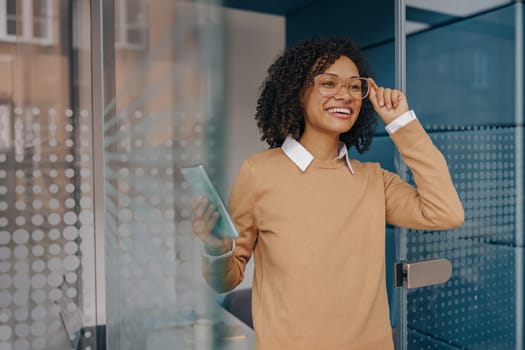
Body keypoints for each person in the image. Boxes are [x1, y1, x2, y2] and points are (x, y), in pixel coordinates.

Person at [192, 37, 464, 350]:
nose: (344, 95)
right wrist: (216, 247)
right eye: (328, 83)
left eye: (353, 86)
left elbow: (446, 212)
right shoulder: (258, 172)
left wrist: (402, 123)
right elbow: (225, 279)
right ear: (298, 92)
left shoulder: (374, 180)